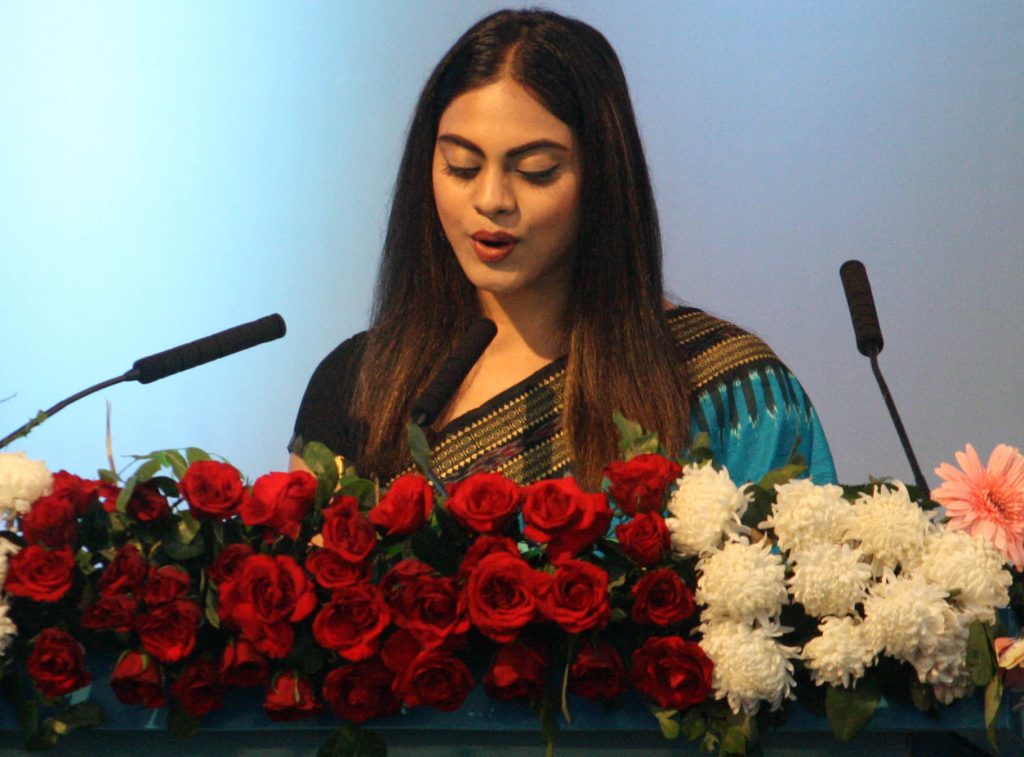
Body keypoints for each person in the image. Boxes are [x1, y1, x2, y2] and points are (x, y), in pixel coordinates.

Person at [290, 8, 836, 490]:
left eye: (535, 171)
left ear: (601, 177)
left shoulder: (727, 385)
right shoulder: (359, 385)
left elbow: (790, 592)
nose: (491, 200)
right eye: (461, 166)